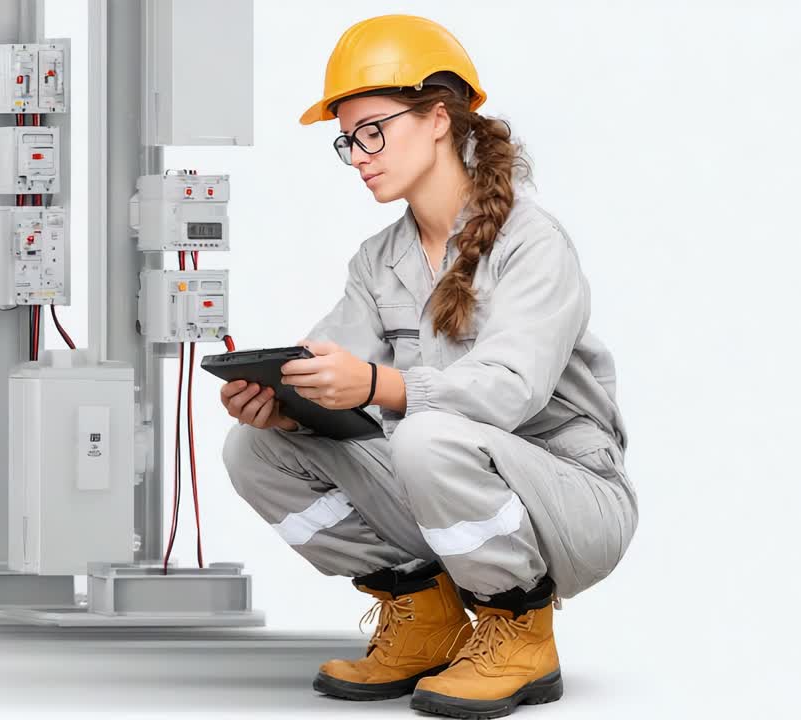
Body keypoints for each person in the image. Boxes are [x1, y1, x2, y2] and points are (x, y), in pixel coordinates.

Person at [218, 15, 637, 718]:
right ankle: (423, 614)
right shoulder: (378, 261)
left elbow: (510, 392)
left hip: (572, 504)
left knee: (425, 432)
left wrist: (380, 385)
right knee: (256, 450)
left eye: (372, 130)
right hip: (446, 490)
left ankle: (519, 627)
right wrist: (283, 398)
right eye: (347, 139)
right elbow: (331, 369)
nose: (358, 155)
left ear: (438, 117)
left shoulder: (533, 243)